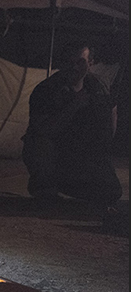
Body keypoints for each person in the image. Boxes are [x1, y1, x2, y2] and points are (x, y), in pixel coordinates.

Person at [21, 41, 122, 215]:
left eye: (80, 62)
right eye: (69, 62)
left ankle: (73, 186)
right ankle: (45, 188)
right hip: (56, 152)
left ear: (90, 63)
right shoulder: (46, 90)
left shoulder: (98, 88)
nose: (74, 67)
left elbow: (110, 118)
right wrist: (73, 106)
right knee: (38, 144)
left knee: (112, 192)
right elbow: (43, 131)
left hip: (81, 154)